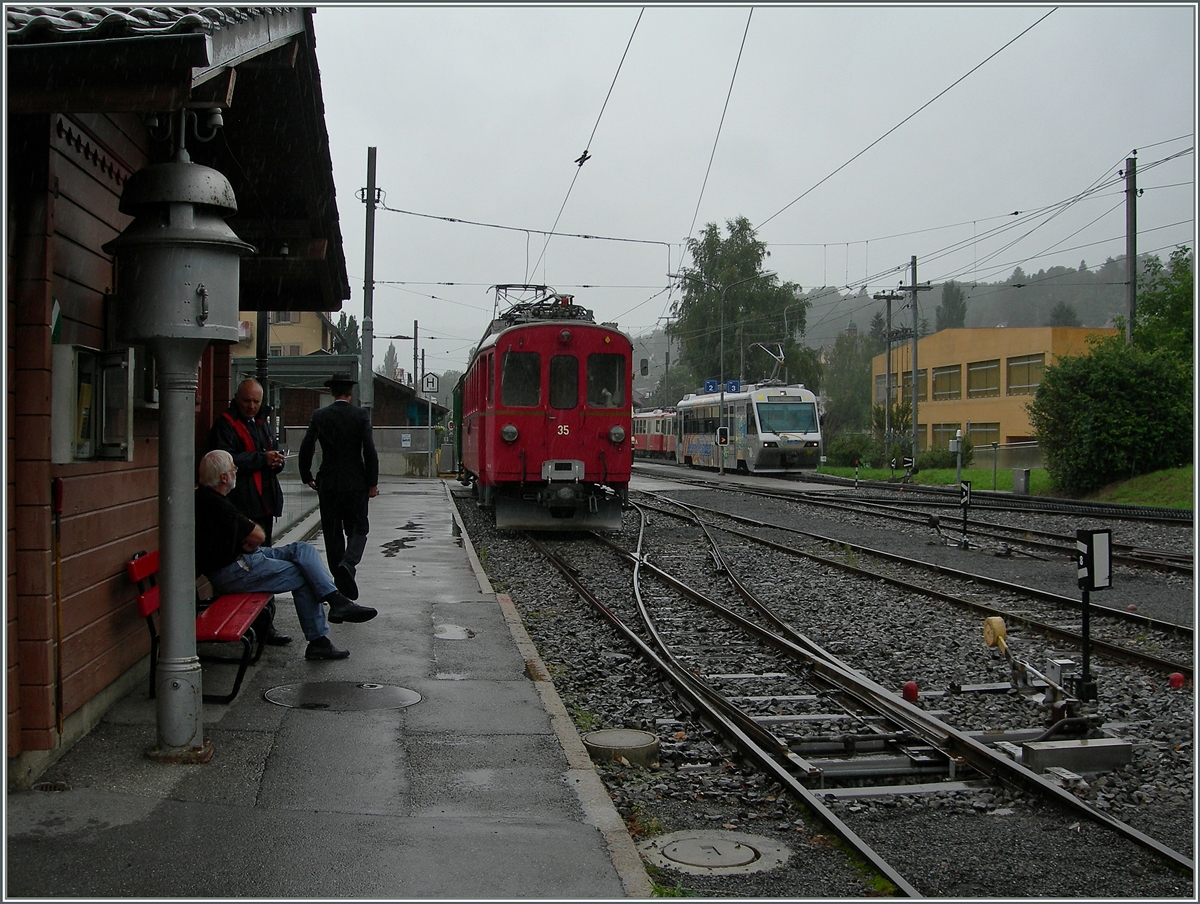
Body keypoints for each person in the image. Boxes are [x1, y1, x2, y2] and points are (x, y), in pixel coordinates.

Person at [195, 450, 377, 662]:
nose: (236, 471)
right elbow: (258, 535)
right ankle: (320, 639)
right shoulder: (216, 504)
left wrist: (248, 535)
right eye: (233, 469)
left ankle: (336, 602)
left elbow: (251, 537)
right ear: (224, 477)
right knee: (304, 576)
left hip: (245, 559)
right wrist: (249, 534)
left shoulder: (209, 497)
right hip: (234, 571)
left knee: (303, 549)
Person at [299, 372, 379, 600]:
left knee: (333, 534)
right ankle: (349, 564)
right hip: (356, 482)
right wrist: (372, 482)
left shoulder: (320, 416)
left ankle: (340, 587)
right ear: (350, 392)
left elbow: (307, 447)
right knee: (359, 528)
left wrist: (307, 475)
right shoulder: (360, 415)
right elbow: (369, 450)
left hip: (328, 482)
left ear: (332, 392)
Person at [208, 378, 285, 546]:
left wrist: (278, 461)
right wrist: (263, 459)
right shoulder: (225, 425)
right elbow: (225, 460)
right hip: (242, 503)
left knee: (264, 550)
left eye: (256, 402)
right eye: (246, 401)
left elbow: (274, 448)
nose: (251, 406)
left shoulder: (262, 423)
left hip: (265, 502)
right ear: (236, 398)